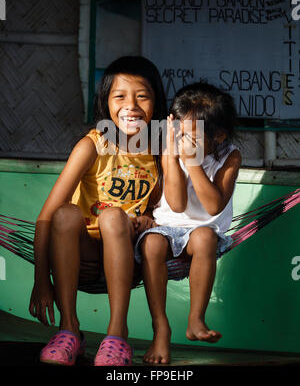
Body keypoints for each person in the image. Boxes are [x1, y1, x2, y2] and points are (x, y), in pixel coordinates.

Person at [28, 55, 167, 366]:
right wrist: (40, 280)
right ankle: (69, 330)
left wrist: (150, 220)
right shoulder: (91, 146)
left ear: (156, 103)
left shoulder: (160, 151)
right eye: (120, 96)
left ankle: (117, 334)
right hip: (82, 255)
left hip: (125, 255)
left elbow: (161, 207)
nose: (130, 105)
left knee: (114, 216)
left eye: (142, 96)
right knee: (65, 213)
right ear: (106, 103)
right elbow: (46, 217)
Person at [134, 81, 242, 364]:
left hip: (205, 231)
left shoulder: (229, 156)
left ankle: (196, 320)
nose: (184, 141)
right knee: (153, 243)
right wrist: (172, 155)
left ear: (218, 135)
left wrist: (193, 164)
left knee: (204, 237)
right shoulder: (170, 148)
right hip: (166, 226)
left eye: (192, 137)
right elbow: (177, 203)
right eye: (179, 132)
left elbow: (213, 205)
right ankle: (160, 328)